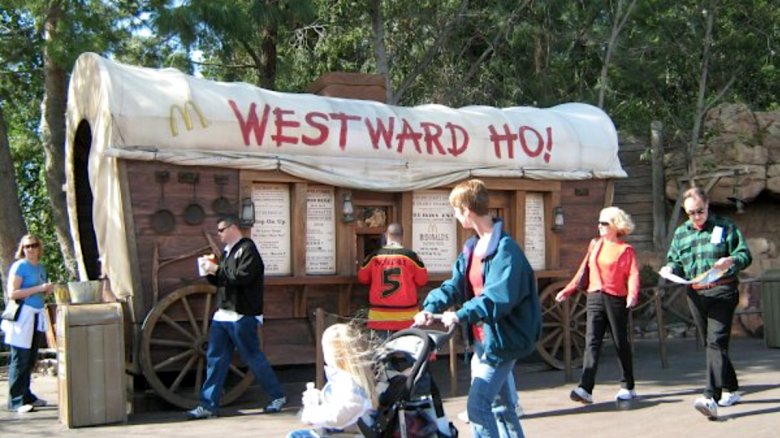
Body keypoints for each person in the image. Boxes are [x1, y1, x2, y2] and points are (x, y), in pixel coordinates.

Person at [413, 179, 541, 438]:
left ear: (466, 210)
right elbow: (455, 285)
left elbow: (496, 298)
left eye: (455, 210)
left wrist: (459, 314)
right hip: (484, 340)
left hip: (503, 340)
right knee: (501, 406)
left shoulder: (506, 251)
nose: (455, 215)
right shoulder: (473, 247)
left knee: (477, 406)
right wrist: (430, 307)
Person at [660, 187, 752, 420]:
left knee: (716, 342)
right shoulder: (682, 233)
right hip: (696, 292)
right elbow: (675, 259)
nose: (696, 216)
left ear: (708, 205)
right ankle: (731, 388)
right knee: (712, 344)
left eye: (700, 211)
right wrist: (670, 268)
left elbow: (744, 255)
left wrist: (731, 260)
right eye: (691, 213)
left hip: (723, 290)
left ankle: (710, 396)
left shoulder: (724, 226)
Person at [186, 215, 286, 419]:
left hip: (242, 314)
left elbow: (242, 277)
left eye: (222, 230)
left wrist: (218, 269)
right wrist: (210, 272)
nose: (219, 234)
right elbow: (222, 280)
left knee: (253, 357)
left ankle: (277, 396)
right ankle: (208, 405)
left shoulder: (248, 249)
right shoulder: (227, 252)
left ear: (232, 228)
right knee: (215, 360)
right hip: (223, 314)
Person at [555, 207, 640, 404]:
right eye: (599, 222)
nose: (599, 226)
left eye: (604, 223)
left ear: (615, 225)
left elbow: (633, 274)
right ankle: (585, 388)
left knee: (620, 341)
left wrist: (632, 295)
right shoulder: (595, 245)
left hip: (616, 298)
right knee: (592, 342)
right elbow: (583, 269)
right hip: (594, 296)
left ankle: (628, 385)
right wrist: (568, 290)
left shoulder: (625, 249)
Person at [287, 323, 377, 437]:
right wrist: (318, 399)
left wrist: (312, 414)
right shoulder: (346, 378)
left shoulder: (350, 383)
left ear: (333, 354)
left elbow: (340, 416)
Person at [2, 234, 53, 413]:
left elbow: (39, 292)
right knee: (20, 358)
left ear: (39, 247)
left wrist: (46, 291)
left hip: (36, 315)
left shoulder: (40, 267)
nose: (30, 249)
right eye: (26, 247)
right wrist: (39, 288)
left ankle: (26, 394)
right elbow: (13, 293)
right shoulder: (20, 266)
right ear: (22, 249)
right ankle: (15, 399)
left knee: (30, 358)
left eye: (33, 245)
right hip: (22, 316)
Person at [357, 223, 428, 335]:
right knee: (408, 351)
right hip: (407, 316)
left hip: (379, 316)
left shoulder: (373, 256)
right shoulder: (412, 257)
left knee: (382, 351)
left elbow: (362, 278)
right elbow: (422, 280)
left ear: (386, 236)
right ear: (402, 237)